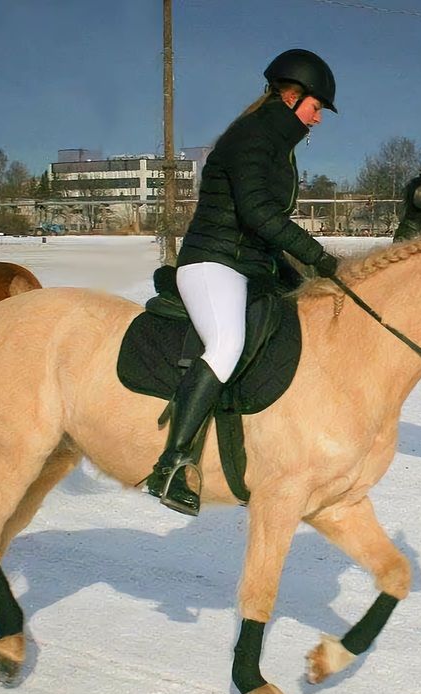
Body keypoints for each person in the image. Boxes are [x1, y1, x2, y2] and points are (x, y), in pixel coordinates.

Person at [147, 49, 341, 516]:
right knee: (227, 343)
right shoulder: (251, 137)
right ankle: (172, 464)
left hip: (249, 265)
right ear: (292, 96)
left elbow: (261, 229)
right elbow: (257, 214)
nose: (317, 121)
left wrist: (303, 277)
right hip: (213, 261)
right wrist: (316, 256)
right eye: (316, 109)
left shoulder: (278, 144)